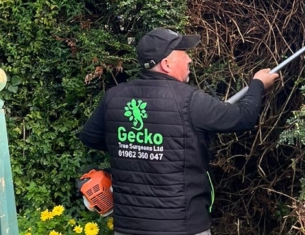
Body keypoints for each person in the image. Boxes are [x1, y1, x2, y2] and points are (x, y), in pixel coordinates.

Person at [79, 28, 279, 235]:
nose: (190, 60)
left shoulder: (113, 97)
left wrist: (134, 147)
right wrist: (257, 84)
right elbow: (243, 117)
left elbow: (91, 138)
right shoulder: (190, 101)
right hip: (183, 227)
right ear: (166, 64)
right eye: (184, 54)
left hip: (128, 227)